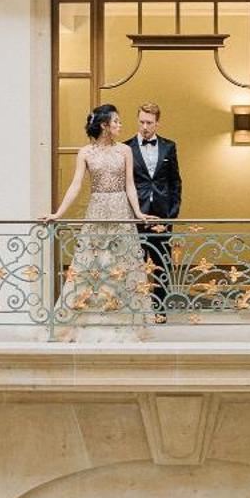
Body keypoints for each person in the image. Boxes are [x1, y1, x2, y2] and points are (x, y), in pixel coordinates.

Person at [41, 104, 154, 339]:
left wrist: (138, 213)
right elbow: (76, 185)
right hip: (97, 210)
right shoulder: (85, 153)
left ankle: (124, 321)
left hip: (120, 211)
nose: (120, 126)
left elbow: (130, 185)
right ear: (104, 125)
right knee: (90, 265)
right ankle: (88, 319)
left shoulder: (125, 151)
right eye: (116, 122)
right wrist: (58, 213)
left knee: (122, 264)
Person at [126, 103, 182, 319]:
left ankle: (160, 312)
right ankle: (137, 310)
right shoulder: (126, 147)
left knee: (161, 263)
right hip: (135, 214)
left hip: (161, 214)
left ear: (157, 123)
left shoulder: (169, 147)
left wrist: (172, 213)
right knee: (134, 261)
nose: (145, 127)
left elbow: (175, 181)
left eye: (149, 122)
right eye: (141, 122)